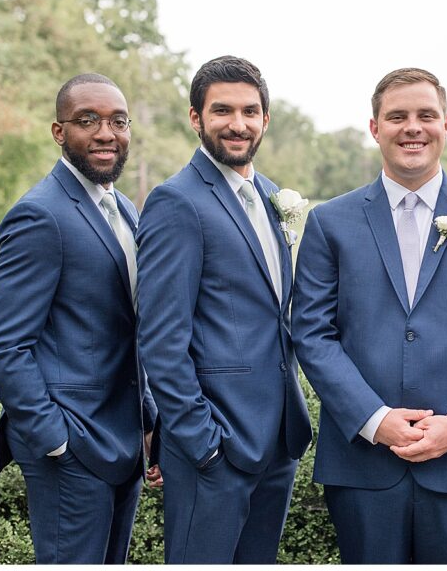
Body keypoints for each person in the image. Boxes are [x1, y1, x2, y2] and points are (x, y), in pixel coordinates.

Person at [291, 67, 447, 564]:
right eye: (397, 116)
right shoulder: (329, 222)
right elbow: (312, 333)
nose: (413, 127)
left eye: (426, 115)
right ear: (374, 127)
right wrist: (374, 419)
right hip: (362, 464)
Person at [136, 55, 312, 564]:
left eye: (250, 111)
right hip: (215, 448)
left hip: (277, 441)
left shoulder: (273, 196)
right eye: (222, 111)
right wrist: (201, 442)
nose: (238, 124)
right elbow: (161, 339)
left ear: (265, 119)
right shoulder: (177, 202)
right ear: (196, 119)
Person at [0, 73, 159, 564]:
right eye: (88, 121)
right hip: (72, 449)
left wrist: (147, 419)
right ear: (59, 132)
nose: (106, 133)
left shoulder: (123, 208)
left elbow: (127, 327)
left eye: (117, 121)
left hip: (123, 441)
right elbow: (1, 347)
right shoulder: (39, 216)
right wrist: (54, 440)